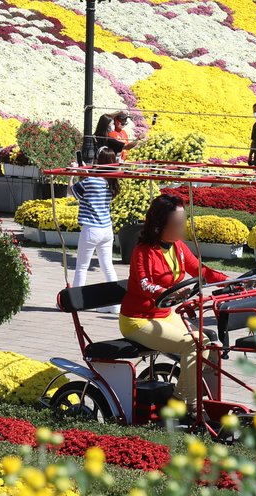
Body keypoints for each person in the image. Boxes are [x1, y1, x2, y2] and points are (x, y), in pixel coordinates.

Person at [120, 195, 229, 411]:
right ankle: (188, 405)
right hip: (137, 321)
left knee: (207, 343)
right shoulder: (143, 251)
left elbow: (201, 270)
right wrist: (170, 293)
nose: (183, 228)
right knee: (194, 343)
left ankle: (188, 400)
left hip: (164, 315)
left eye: (184, 222)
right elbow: (144, 284)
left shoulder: (177, 246)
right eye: (178, 224)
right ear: (160, 226)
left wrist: (233, 281)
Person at [70, 147, 122, 311]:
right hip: (107, 229)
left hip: (91, 229)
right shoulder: (110, 182)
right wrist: (85, 169)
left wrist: (72, 174)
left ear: (99, 161)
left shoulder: (90, 181)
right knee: (108, 267)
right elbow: (94, 179)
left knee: (82, 267)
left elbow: (71, 191)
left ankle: (76, 302)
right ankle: (116, 305)